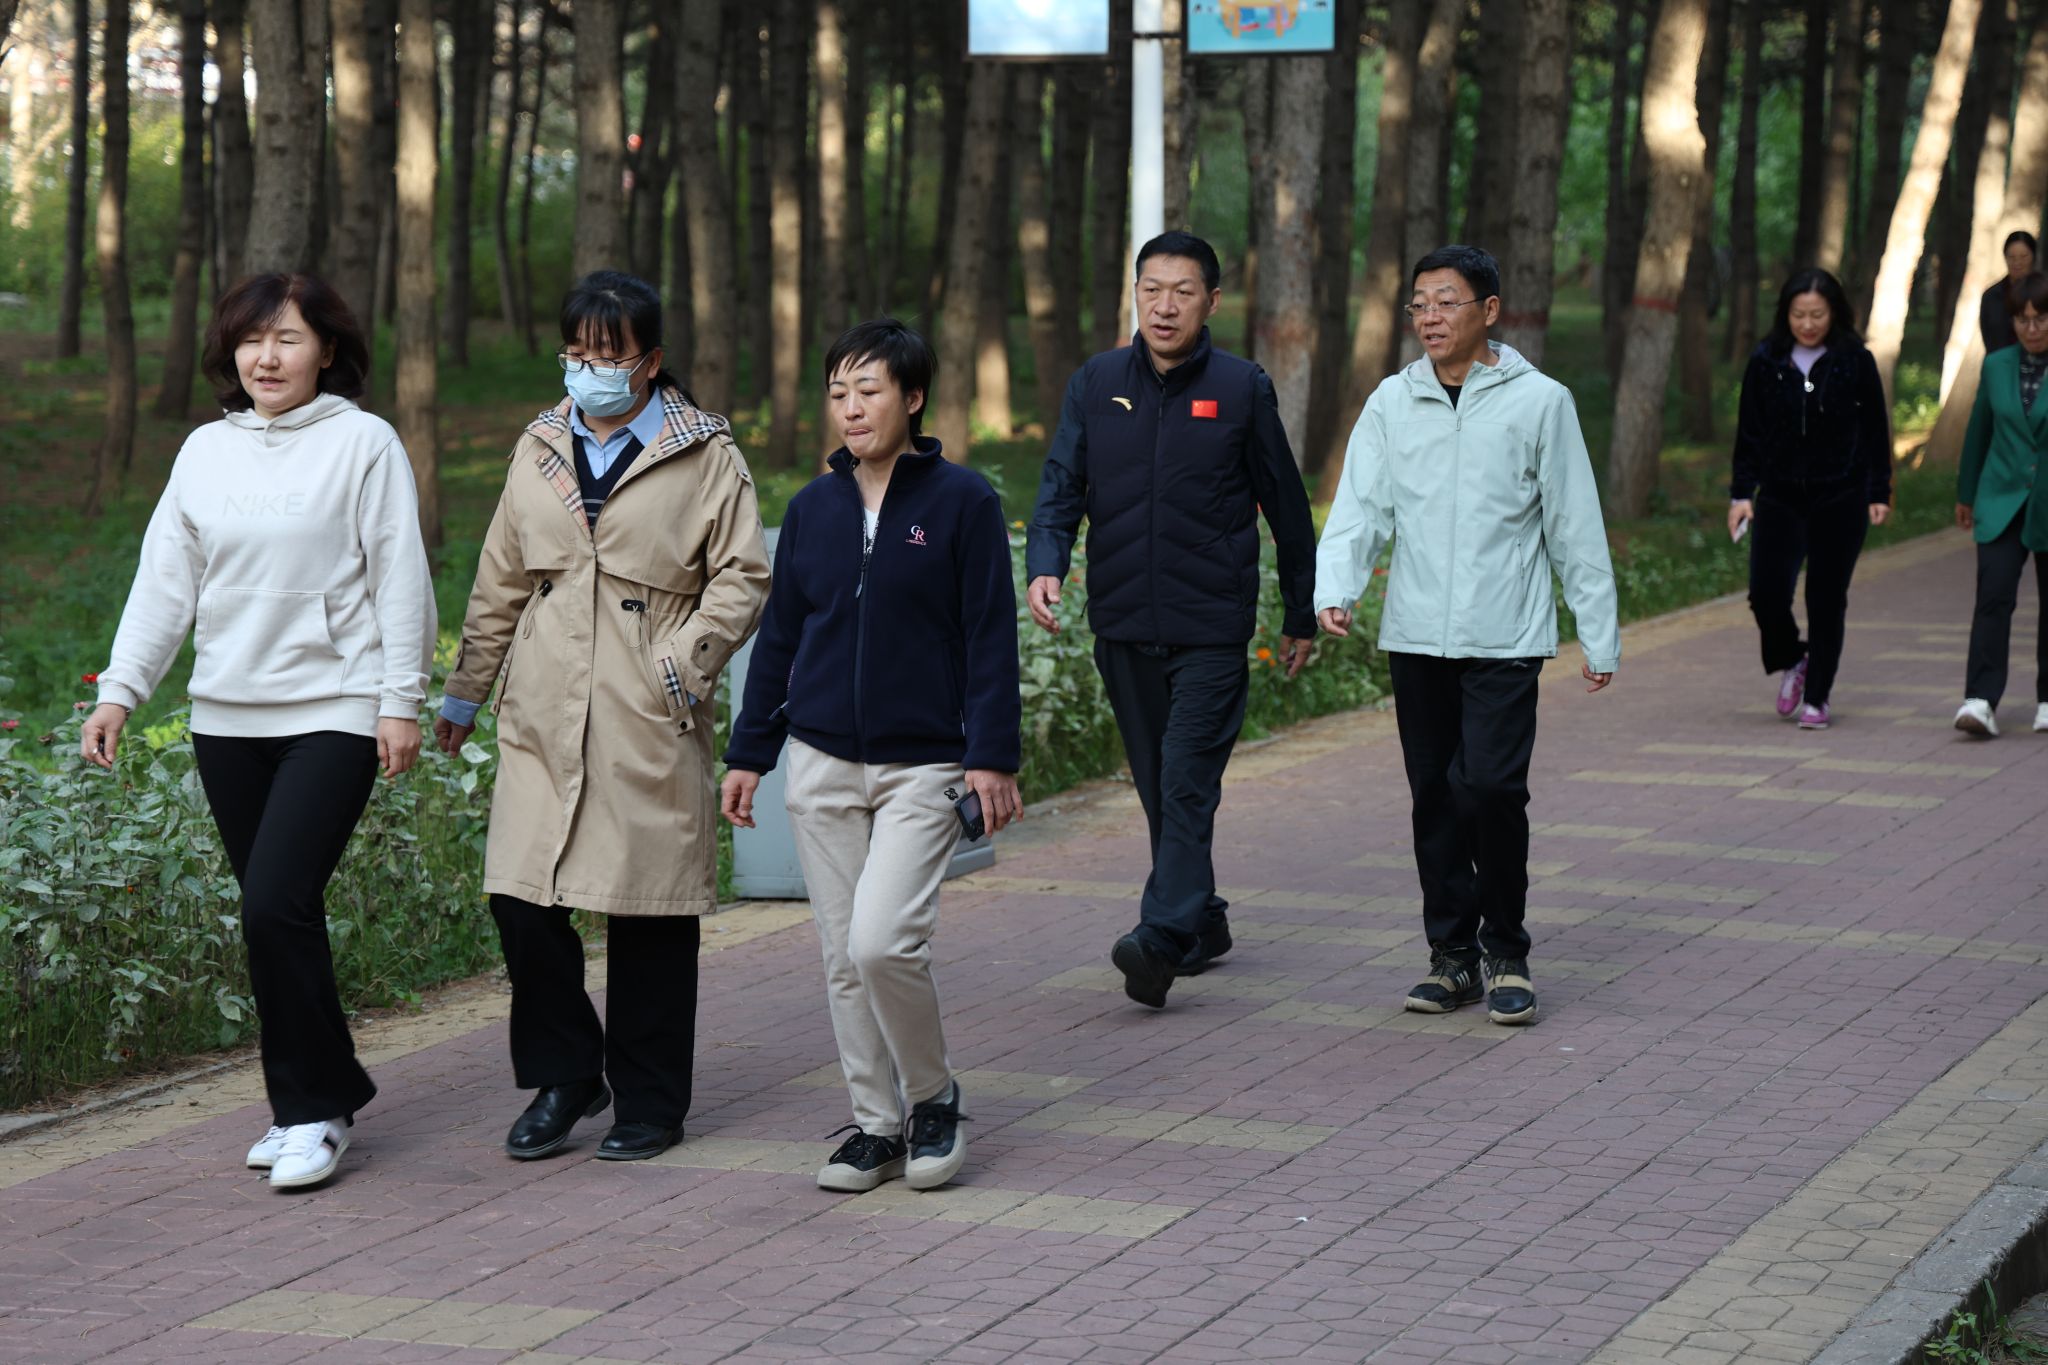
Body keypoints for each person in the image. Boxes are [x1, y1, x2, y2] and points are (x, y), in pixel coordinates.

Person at [82, 273, 435, 1190]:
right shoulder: (205, 450)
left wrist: (400, 698)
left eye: (288, 338)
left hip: (335, 707)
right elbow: (166, 580)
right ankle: (313, 1099)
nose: (267, 357)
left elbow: (400, 574)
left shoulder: (364, 443)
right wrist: (121, 690)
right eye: (251, 339)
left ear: (327, 350)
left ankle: (315, 1109)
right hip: (227, 716)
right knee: (277, 915)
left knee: (275, 901)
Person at [434, 271, 769, 1163]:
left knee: (648, 906)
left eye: (608, 354)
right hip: (541, 701)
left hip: (645, 702)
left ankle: (651, 1101)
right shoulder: (540, 444)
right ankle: (568, 1072)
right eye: (576, 351)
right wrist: (467, 688)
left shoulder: (706, 454)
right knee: (520, 893)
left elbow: (743, 576)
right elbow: (501, 573)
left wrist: (681, 666)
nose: (588, 369)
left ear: (650, 361)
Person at [722, 319, 1021, 1193]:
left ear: (913, 397)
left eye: (869, 391)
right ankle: (877, 1125)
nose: (851, 409)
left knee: (883, 941)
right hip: (820, 762)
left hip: (923, 764)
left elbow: (989, 636)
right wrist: (750, 751)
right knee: (840, 956)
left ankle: (933, 1098)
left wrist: (991, 755)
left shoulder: (962, 502)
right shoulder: (814, 508)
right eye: (838, 393)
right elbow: (780, 637)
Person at [1315, 245, 1620, 1028]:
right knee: (1434, 797)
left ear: (1488, 311)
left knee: (1490, 788)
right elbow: (1361, 506)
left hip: (1505, 634)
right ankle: (1451, 956)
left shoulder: (1540, 402)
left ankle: (1506, 949)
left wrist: (1597, 631)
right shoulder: (1393, 401)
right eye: (1419, 303)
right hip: (1416, 635)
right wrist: (1336, 585)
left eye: (1446, 302)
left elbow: (1573, 522)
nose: (1429, 317)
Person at [1025, 231, 1317, 1011]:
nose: (1164, 305)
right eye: (1151, 288)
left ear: (1211, 302)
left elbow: (1287, 505)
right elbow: (1060, 485)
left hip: (1211, 628)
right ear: (1135, 294)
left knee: (1186, 782)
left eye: (1183, 291)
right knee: (1162, 786)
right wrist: (1046, 560)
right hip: (1123, 622)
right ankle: (1204, 921)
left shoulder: (1242, 388)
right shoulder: (1096, 383)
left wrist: (1299, 611)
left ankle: (1159, 938)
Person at [1727, 268, 1894, 731]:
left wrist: (1879, 490)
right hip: (1780, 495)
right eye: (1798, 314)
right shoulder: (1767, 360)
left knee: (1825, 597)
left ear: (1834, 312)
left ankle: (1818, 695)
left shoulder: (1854, 359)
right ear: (1786, 313)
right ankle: (1794, 659)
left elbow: (1876, 429)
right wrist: (1741, 493)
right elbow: (1749, 433)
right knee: (1766, 594)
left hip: (1841, 494)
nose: (1807, 324)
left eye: (1817, 315)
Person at [1954, 271, 2048, 738]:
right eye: (2022, 319)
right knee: (1993, 596)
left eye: (2041, 318)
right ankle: (1980, 699)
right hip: (2001, 497)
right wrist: (1966, 493)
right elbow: (1979, 432)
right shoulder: (1996, 365)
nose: (2032, 328)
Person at [1981, 232, 2039, 356]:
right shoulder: (1991, 296)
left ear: (2033, 257)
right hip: (1999, 362)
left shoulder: (2043, 293)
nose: (2017, 263)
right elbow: (1988, 337)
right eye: (2012, 257)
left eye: (2024, 256)